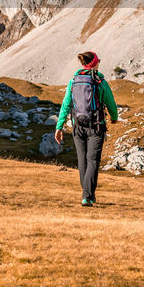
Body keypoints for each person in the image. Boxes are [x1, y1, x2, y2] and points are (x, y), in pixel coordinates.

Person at [54, 51, 119, 206]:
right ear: (95, 63)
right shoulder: (100, 82)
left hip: (77, 126)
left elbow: (65, 105)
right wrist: (114, 117)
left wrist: (59, 126)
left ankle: (87, 194)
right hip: (96, 126)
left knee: (82, 160)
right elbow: (111, 102)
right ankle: (87, 196)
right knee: (93, 160)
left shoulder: (73, 81)